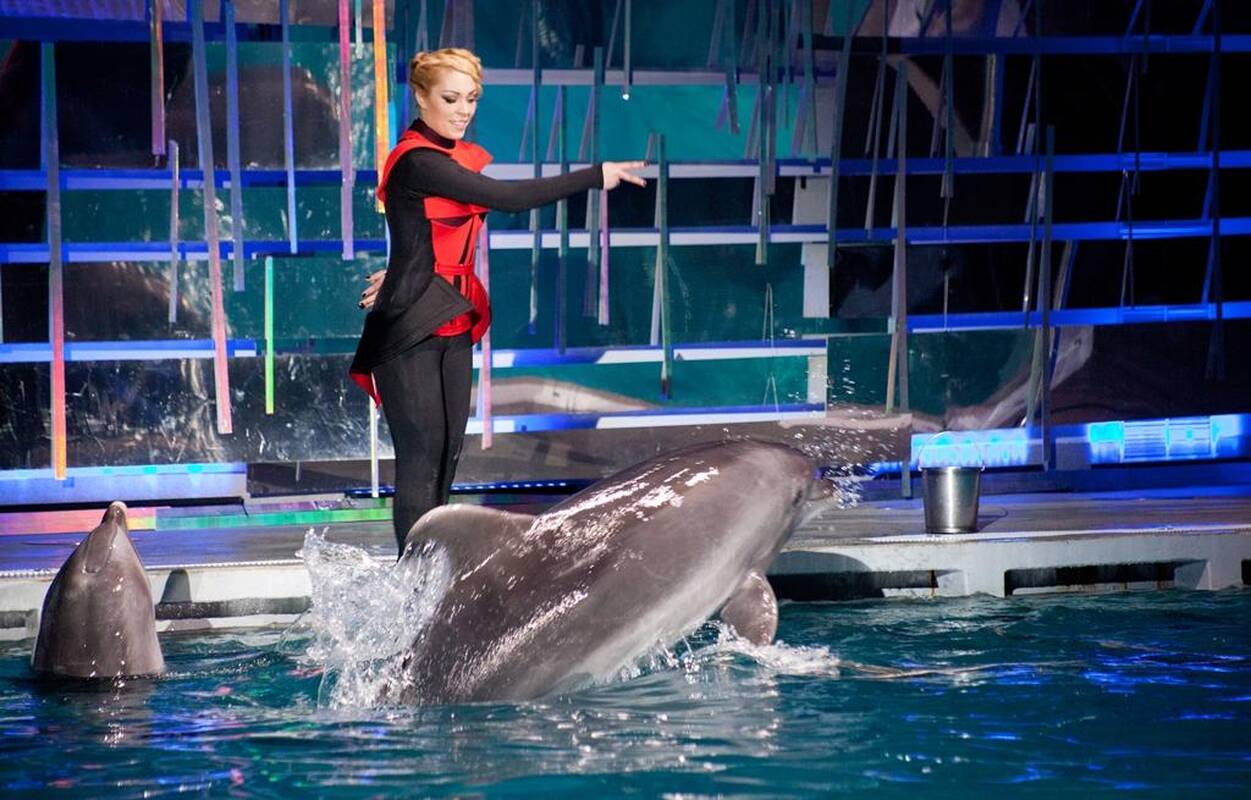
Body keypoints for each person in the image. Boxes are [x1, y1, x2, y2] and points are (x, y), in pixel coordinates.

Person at [350, 48, 645, 554]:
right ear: (420, 96)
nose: (463, 110)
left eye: (471, 99)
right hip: (412, 321)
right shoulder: (418, 160)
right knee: (420, 460)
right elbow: (507, 199)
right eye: (450, 99)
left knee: (446, 455)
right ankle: (413, 580)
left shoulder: (447, 156)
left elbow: (427, 237)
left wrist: (401, 268)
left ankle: (437, 572)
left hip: (451, 311)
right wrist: (595, 175)